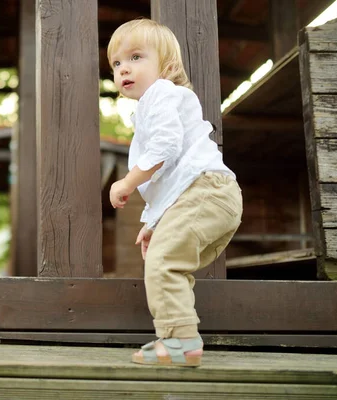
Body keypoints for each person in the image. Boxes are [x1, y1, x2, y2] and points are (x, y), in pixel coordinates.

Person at [107, 18, 243, 367]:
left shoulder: (162, 93)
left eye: (136, 57)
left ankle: (182, 341)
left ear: (165, 65)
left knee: (164, 263)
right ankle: (177, 339)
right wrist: (153, 223)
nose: (124, 69)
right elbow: (172, 179)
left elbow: (166, 148)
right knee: (166, 262)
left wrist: (128, 181)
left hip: (207, 191)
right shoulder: (150, 107)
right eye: (116, 63)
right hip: (202, 195)